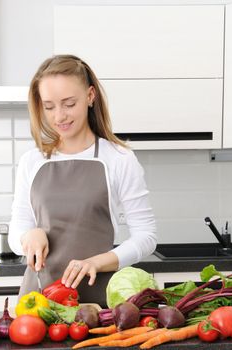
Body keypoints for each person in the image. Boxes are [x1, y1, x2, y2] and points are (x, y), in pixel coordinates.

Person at [8, 54, 157, 306]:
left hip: (95, 302)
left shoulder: (119, 159)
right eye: (49, 106)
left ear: (90, 96)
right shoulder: (32, 161)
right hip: (38, 301)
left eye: (68, 103)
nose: (59, 117)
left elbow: (147, 237)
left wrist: (96, 262)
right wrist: (28, 236)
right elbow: (16, 232)